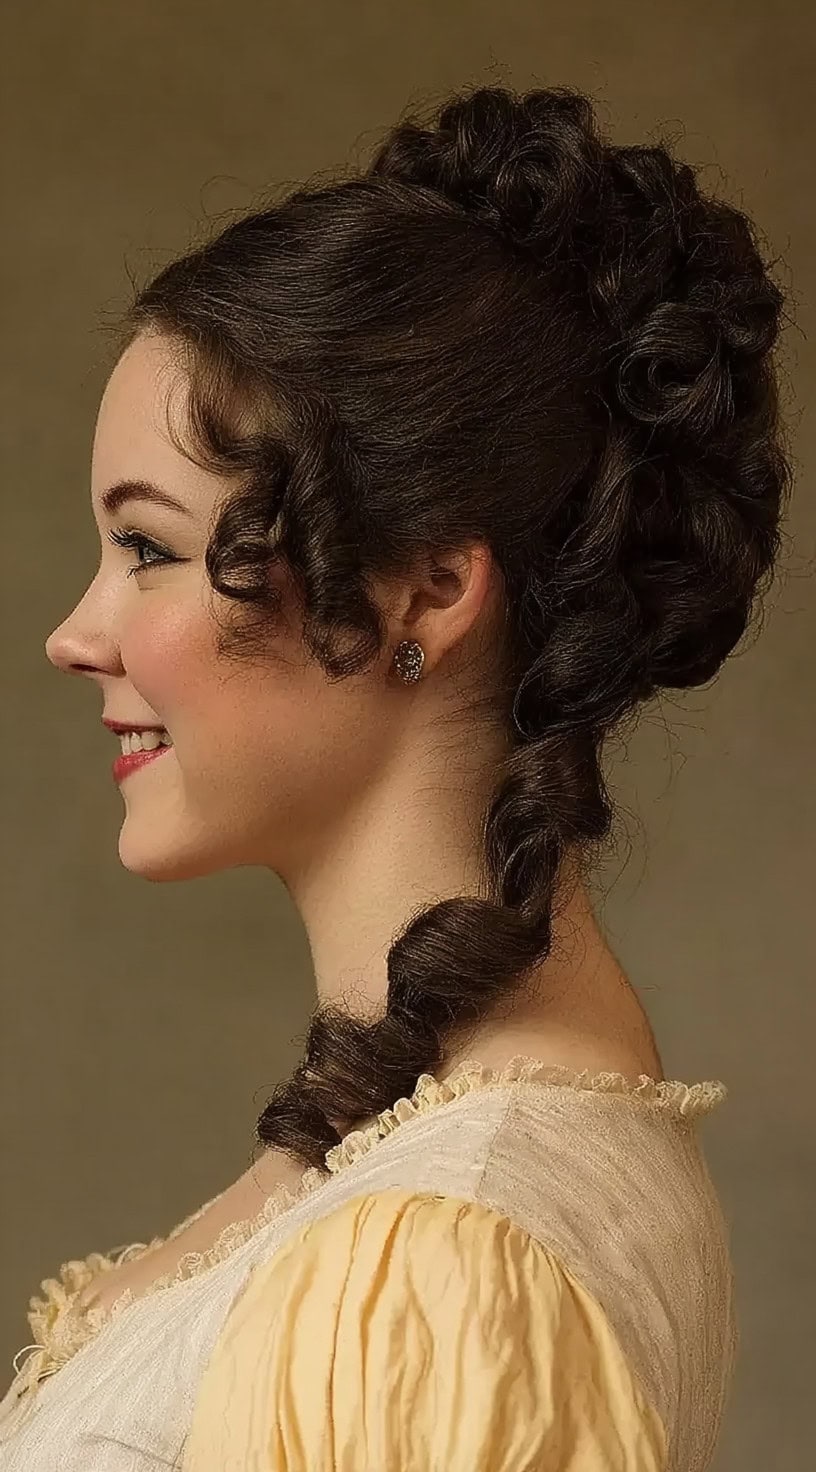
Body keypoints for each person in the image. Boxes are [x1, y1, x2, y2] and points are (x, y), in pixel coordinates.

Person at [0, 81, 790, 1470]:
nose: (73, 636)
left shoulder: (445, 1257)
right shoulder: (415, 1170)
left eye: (149, 549)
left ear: (430, 589)